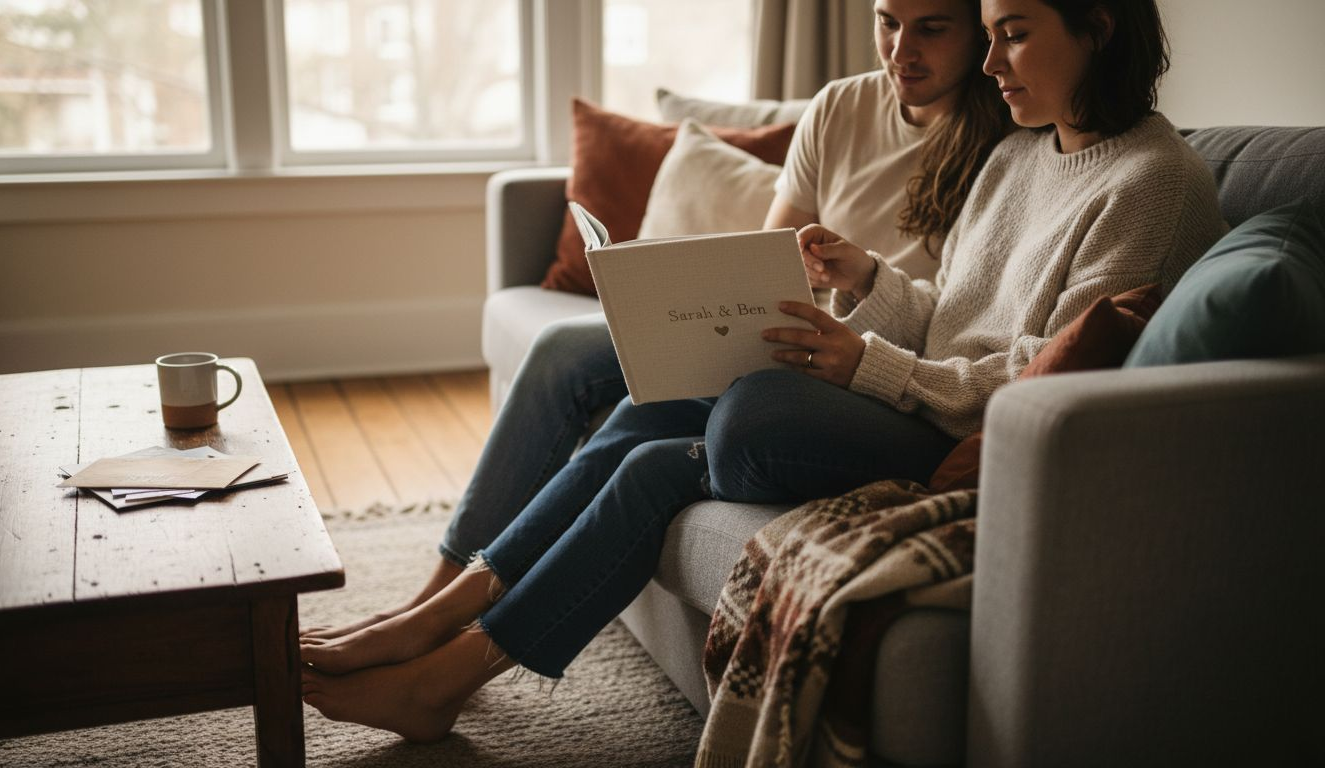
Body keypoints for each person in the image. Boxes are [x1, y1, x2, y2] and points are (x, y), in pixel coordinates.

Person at [302, 0, 1229, 745]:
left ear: (1099, 27)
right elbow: (952, 307)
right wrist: (866, 280)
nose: (991, 65)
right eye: (989, 37)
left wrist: (870, 363)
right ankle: (441, 658)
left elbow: (1040, 376)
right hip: (920, 389)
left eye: (1013, 36)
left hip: (960, 431)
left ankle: (436, 647)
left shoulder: (1153, 182)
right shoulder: (1022, 152)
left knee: (746, 411)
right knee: (651, 443)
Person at [301, 0, 1011, 644]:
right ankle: (441, 591)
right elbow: (767, 258)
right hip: (779, 337)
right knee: (561, 353)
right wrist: (694, 294)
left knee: (652, 421)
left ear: (977, 30)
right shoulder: (842, 106)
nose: (900, 49)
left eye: (931, 28)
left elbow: (949, 323)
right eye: (888, 22)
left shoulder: (1001, 140)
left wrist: (857, 285)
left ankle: (449, 622)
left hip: (858, 371)